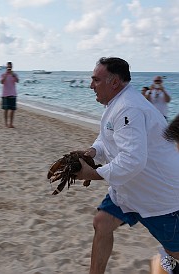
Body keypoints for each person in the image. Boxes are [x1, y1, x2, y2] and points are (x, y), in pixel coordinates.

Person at [71, 57, 179, 274]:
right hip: (129, 190)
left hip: (158, 196)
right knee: (102, 223)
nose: (91, 85)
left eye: (96, 80)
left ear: (114, 82)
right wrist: (93, 151)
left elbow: (132, 160)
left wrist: (92, 173)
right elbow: (107, 137)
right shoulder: (116, 103)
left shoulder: (128, 107)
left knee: (174, 255)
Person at [0, 61, 19, 128]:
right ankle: (5, 123)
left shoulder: (14, 74)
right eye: (8, 66)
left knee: (12, 110)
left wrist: (13, 74)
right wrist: (6, 75)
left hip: (13, 93)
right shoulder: (3, 75)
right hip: (5, 94)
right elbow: (2, 82)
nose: (9, 68)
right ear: (6, 67)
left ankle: (11, 123)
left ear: (12, 67)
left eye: (10, 66)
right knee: (6, 110)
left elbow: (17, 81)